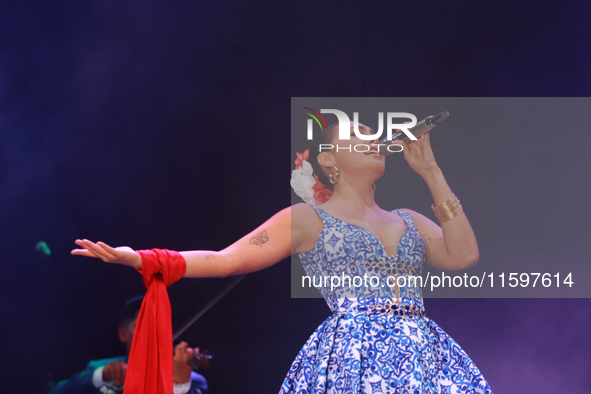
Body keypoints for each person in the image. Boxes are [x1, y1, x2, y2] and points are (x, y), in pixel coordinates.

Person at [72, 122, 492, 393]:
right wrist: (144, 258)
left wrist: (432, 172)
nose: (371, 139)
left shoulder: (409, 219)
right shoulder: (308, 219)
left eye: (373, 134)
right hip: (356, 356)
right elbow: (225, 259)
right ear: (328, 159)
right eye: (357, 134)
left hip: (425, 354)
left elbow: (463, 254)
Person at [48, 296, 208, 394]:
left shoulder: (193, 381)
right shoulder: (99, 367)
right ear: (123, 334)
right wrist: (101, 375)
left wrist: (180, 385)